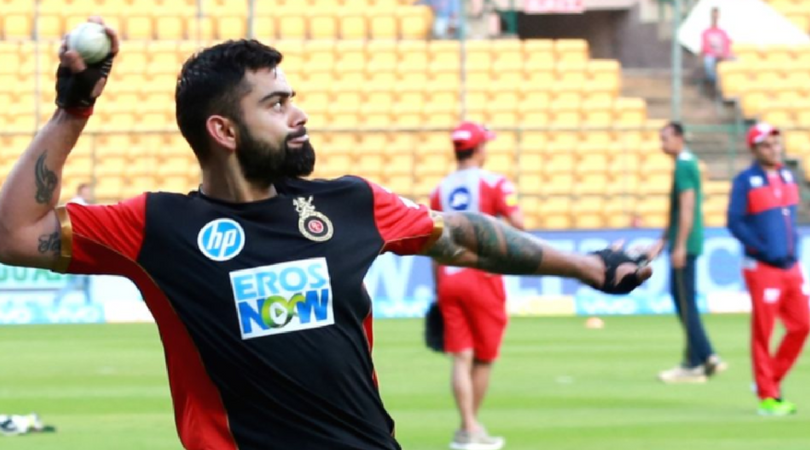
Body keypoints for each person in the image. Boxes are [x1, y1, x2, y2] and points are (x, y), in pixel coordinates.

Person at [0, 17, 651, 450]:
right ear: (223, 131)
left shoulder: (350, 203)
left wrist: (587, 267)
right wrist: (73, 107)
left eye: (292, 97)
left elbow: (462, 236)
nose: (300, 114)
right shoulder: (157, 227)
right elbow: (14, 234)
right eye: (276, 103)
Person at [429, 122, 523, 450]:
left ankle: (468, 428)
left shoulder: (439, 189)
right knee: (484, 357)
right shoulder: (495, 182)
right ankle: (469, 429)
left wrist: (437, 289)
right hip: (482, 276)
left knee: (461, 358)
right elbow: (519, 224)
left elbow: (433, 242)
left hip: (448, 277)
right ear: (480, 149)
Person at [727, 123, 809, 416]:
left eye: (776, 143)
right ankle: (768, 397)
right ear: (754, 149)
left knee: (803, 324)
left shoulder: (787, 176)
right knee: (764, 331)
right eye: (766, 145)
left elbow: (789, 220)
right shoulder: (745, 181)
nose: (774, 149)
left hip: (790, 265)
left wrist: (792, 248)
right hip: (763, 267)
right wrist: (760, 248)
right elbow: (734, 222)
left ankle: (769, 380)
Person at [646, 122, 726, 383]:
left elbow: (687, 207)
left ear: (679, 137)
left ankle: (703, 357)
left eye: (665, 138)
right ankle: (699, 358)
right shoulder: (686, 164)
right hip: (686, 241)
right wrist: (663, 240)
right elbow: (679, 210)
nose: (662, 144)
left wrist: (678, 245)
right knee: (684, 299)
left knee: (683, 300)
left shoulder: (684, 165)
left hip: (686, 243)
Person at [53, 182, 94, 305]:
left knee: (86, 280)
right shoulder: (77, 204)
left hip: (82, 245)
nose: (89, 194)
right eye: (86, 191)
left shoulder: (78, 204)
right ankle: (57, 300)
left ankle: (88, 304)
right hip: (78, 246)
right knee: (79, 280)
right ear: (81, 192)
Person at [701, 7, 733, 94]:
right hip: (712, 55)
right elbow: (705, 48)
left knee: (737, 60)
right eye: (714, 16)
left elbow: (726, 45)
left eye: (717, 16)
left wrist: (724, 54)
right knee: (708, 61)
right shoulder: (706, 32)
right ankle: (716, 82)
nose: (715, 18)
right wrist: (716, 54)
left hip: (722, 54)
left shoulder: (722, 32)